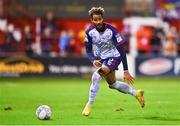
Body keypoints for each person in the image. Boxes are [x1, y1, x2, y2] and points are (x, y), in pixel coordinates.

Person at [82, 7, 145, 116]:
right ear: (92, 21)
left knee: (96, 76)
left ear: (102, 18)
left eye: (100, 19)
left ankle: (89, 104)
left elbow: (122, 49)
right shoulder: (89, 32)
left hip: (114, 57)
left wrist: (126, 70)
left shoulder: (111, 30)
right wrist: (93, 60)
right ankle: (136, 93)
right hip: (103, 59)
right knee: (113, 84)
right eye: (95, 20)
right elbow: (87, 50)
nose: (98, 22)